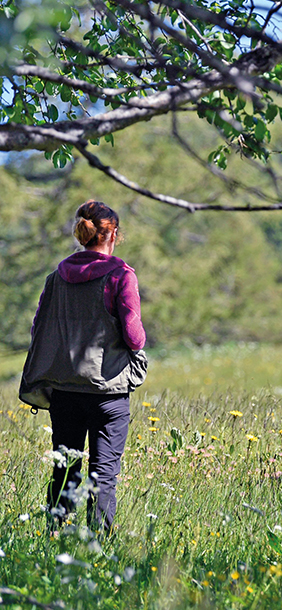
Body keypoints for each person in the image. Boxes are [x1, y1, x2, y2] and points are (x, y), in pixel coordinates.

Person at [20, 200, 147, 532]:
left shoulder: (56, 278)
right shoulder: (121, 275)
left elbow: (38, 329)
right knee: (103, 473)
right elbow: (134, 338)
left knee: (64, 469)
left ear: (82, 233)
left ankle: (53, 536)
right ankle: (98, 549)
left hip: (64, 391)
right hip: (108, 393)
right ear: (112, 234)